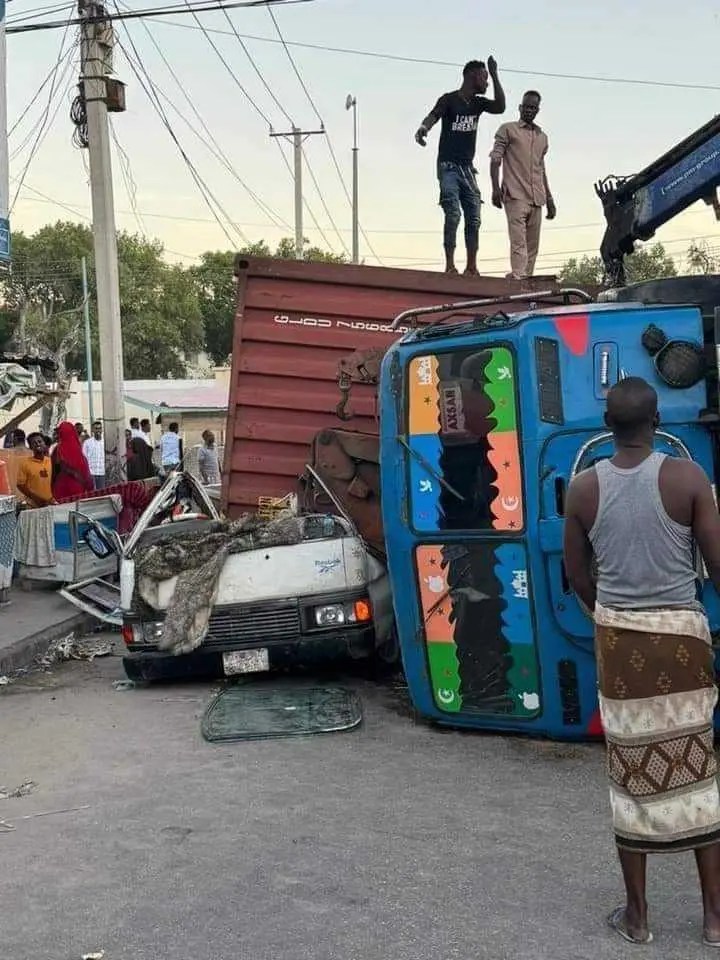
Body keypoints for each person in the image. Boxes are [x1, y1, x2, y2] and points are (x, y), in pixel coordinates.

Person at [563, 377, 720, 947]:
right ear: (658, 422)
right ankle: (714, 920)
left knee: (630, 777)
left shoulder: (582, 489)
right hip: (683, 641)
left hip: (621, 648)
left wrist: (607, 608)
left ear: (608, 425)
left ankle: (639, 917)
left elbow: (577, 573)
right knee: (698, 767)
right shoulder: (688, 478)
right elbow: (717, 562)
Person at [415, 57, 505, 276]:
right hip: (448, 167)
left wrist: (494, 73)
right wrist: (423, 128)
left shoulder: (478, 104)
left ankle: (471, 266)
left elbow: (500, 107)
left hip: (467, 169)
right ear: (472, 76)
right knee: (453, 212)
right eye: (484, 77)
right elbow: (434, 115)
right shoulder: (449, 100)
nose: (487, 83)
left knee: (474, 215)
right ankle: (449, 265)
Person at [490, 90, 556, 279]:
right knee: (519, 243)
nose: (529, 110)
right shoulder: (508, 129)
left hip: (537, 198)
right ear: (520, 107)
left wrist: (550, 199)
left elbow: (541, 169)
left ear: (537, 110)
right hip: (515, 194)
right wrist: (495, 189)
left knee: (533, 245)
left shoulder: (542, 137)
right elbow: (496, 159)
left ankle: (526, 282)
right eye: (526, 106)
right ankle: (519, 278)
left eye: (533, 108)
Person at [51, 421, 93, 501]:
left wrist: (52, 488)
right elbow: (86, 474)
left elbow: (54, 472)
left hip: (61, 490)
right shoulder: (79, 450)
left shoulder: (58, 450)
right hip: (78, 490)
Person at [16, 433, 55, 508]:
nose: (37, 444)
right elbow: (20, 485)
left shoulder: (51, 461)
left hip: (50, 504)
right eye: (34, 443)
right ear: (30, 447)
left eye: (40, 441)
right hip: (32, 505)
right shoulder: (25, 463)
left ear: (44, 443)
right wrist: (36, 498)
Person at [82, 420, 106, 490]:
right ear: (92, 430)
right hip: (91, 473)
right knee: (92, 494)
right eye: (96, 428)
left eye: (99, 428)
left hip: (102, 473)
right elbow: (84, 458)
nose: (98, 430)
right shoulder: (87, 443)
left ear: (102, 429)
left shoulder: (105, 442)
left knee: (102, 494)